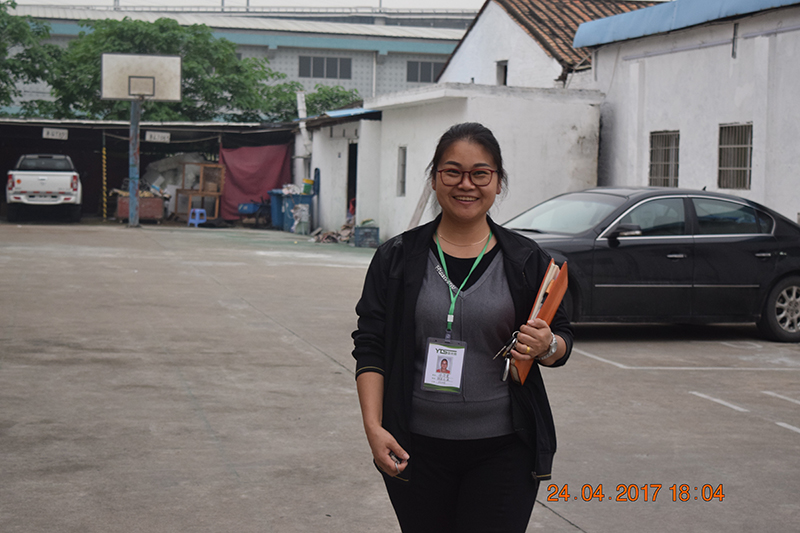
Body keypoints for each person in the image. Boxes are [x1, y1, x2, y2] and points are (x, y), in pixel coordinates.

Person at [352, 122, 572, 533]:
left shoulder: (526, 260)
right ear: (434, 178)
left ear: (498, 182)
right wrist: (373, 427)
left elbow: (561, 340)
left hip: (505, 450)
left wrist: (547, 345)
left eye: (480, 174)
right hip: (415, 447)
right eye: (452, 172)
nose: (466, 184)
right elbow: (371, 345)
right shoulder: (396, 258)